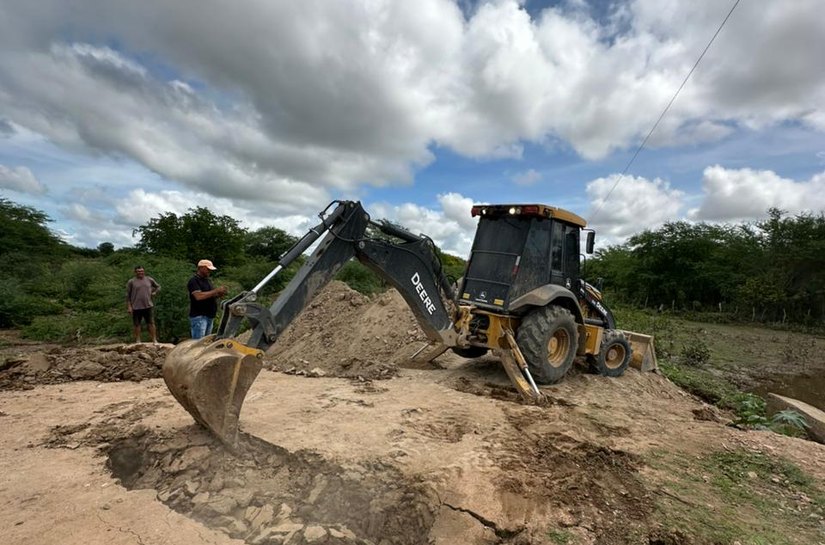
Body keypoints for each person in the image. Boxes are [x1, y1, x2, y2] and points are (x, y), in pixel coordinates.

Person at [188, 259, 228, 339]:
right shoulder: (194, 281)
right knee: (198, 342)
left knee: (206, 342)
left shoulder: (207, 281)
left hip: (209, 316)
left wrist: (219, 294)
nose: (209, 271)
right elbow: (198, 296)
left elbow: (209, 295)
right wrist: (216, 290)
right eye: (208, 269)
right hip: (200, 316)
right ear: (201, 268)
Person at [126, 265, 161, 344]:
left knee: (151, 323)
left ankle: (154, 340)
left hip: (148, 305)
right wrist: (129, 306)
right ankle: (138, 340)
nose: (140, 273)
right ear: (135, 272)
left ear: (144, 271)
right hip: (136, 306)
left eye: (141, 271)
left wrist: (155, 292)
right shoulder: (131, 282)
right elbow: (127, 295)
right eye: (138, 271)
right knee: (137, 324)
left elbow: (158, 286)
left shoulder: (149, 279)